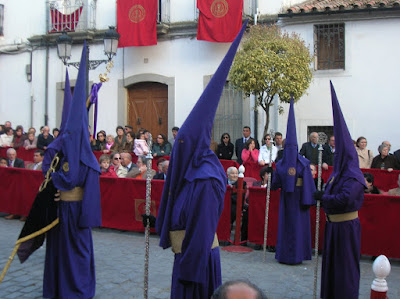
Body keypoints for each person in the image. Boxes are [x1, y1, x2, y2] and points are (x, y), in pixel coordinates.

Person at [155, 22, 247, 299]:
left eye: (182, 142)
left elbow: (203, 227)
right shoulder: (190, 171)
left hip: (196, 264)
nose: (178, 148)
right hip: (184, 257)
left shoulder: (206, 178)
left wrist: (190, 269)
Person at [41, 48, 102, 298]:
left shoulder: (87, 157)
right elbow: (48, 168)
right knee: (59, 251)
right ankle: (58, 288)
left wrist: (85, 216)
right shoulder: (58, 147)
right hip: (59, 212)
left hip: (76, 214)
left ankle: (77, 290)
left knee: (77, 251)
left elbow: (89, 186)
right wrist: (53, 187)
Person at [314, 82, 366, 299]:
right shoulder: (338, 172)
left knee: (344, 269)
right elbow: (330, 188)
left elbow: (345, 198)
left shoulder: (354, 175)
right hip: (333, 227)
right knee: (332, 267)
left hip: (346, 227)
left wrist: (323, 197)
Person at [271, 97, 316, 265]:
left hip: (294, 199)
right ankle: (289, 255)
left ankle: (292, 255)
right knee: (291, 227)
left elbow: (276, 185)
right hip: (291, 199)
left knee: (293, 227)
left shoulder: (292, 163)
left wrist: (307, 199)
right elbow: (275, 184)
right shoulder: (289, 163)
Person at [227, 166, 248, 244]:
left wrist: (228, 197)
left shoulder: (242, 183)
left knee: (232, 211)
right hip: (224, 204)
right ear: (228, 175)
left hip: (235, 205)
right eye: (232, 173)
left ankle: (229, 237)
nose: (235, 175)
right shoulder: (223, 181)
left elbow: (239, 198)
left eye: (236, 173)